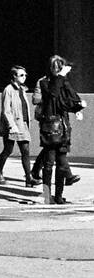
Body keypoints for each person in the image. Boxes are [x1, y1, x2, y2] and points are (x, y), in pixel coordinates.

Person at [32, 55, 85, 205]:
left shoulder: (63, 81)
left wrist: (78, 107)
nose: (57, 70)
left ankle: (59, 195)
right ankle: (47, 196)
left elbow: (68, 100)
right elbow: (52, 95)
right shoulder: (44, 83)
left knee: (61, 162)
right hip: (50, 127)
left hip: (63, 126)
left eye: (59, 67)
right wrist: (60, 77)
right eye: (55, 67)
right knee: (48, 164)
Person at [0, 65, 36, 186]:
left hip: (23, 124)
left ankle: (29, 178)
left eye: (25, 75)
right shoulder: (8, 90)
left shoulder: (22, 89)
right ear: (14, 76)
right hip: (12, 125)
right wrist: (11, 125)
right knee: (8, 150)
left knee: (26, 151)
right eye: (21, 75)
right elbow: (6, 110)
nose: (24, 77)